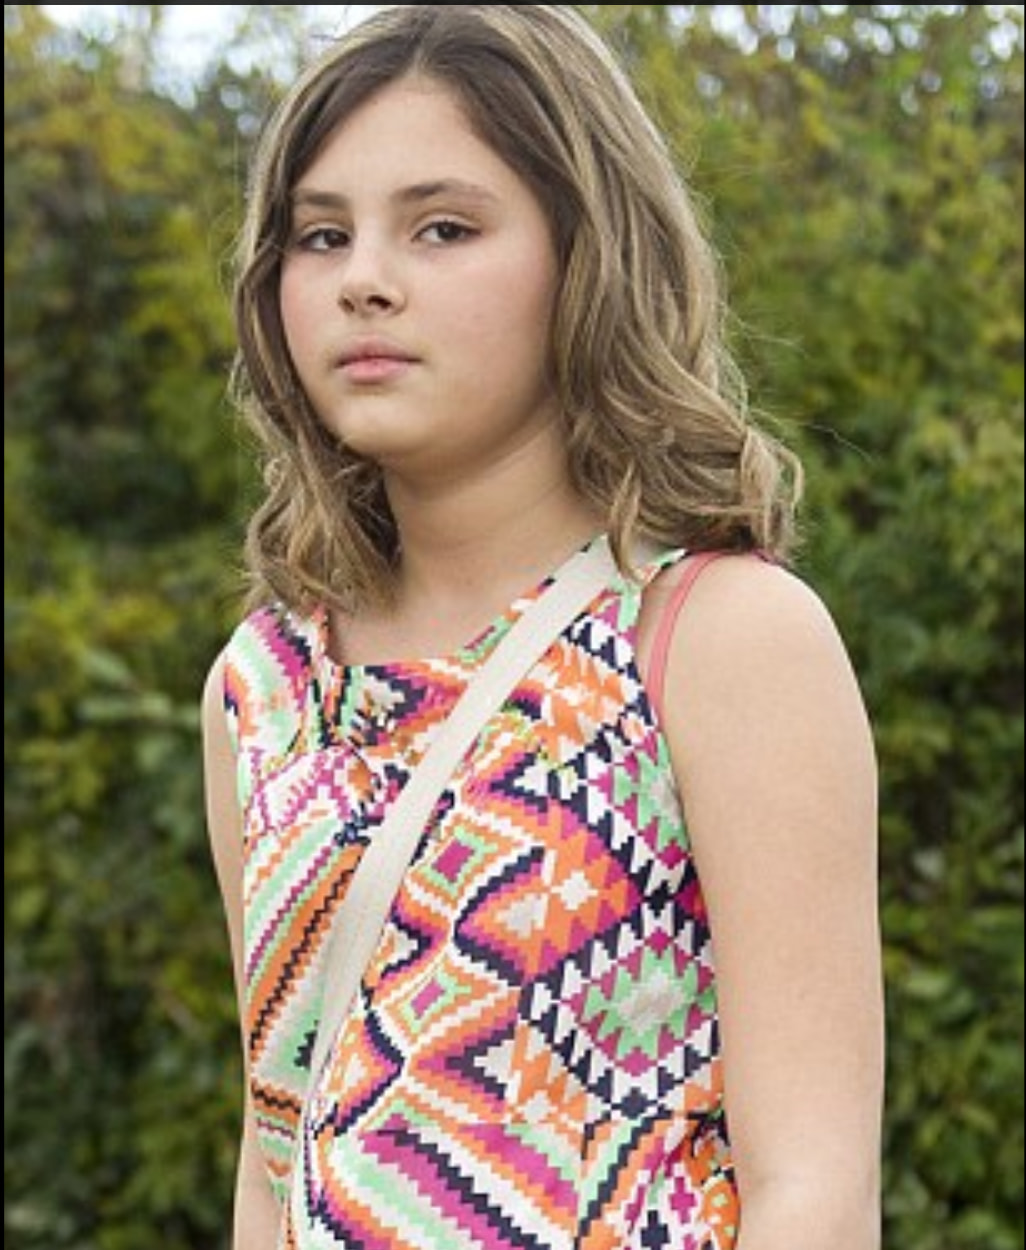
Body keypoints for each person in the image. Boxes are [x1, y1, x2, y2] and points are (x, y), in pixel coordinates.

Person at [201, 5, 884, 1248]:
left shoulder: (722, 637)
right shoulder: (264, 685)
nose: (363, 278)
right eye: (321, 233)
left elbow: (816, 1188)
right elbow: (273, 1152)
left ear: (588, 256)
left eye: (443, 227)